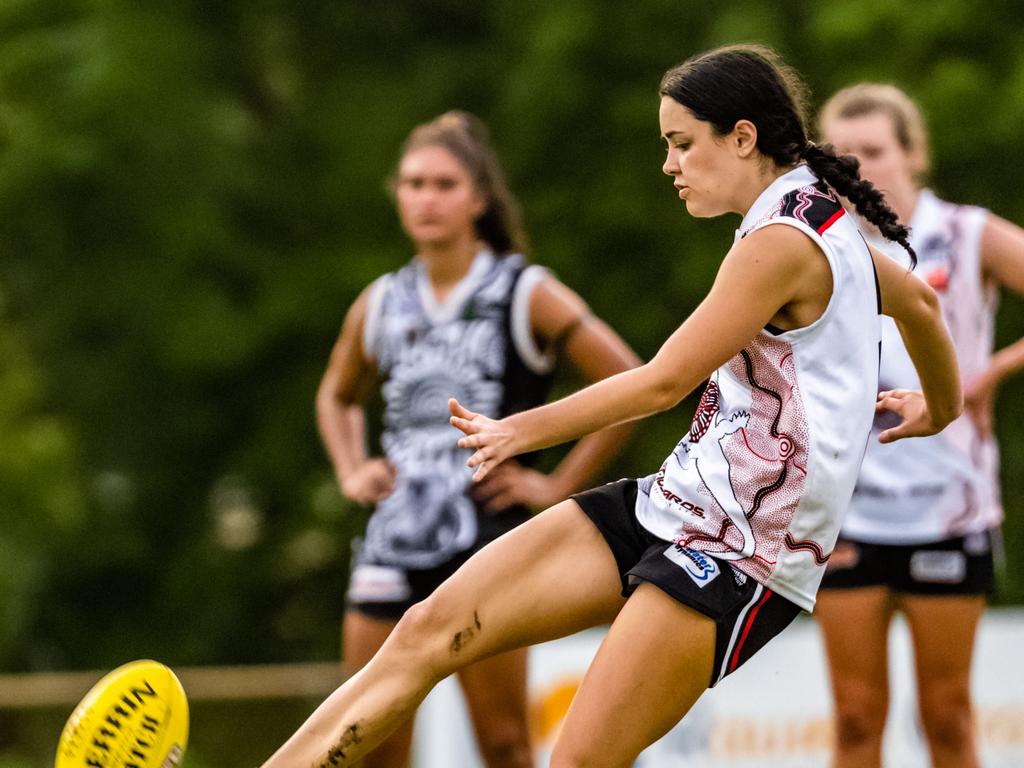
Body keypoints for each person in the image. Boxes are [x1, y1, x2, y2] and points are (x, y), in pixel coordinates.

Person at [262, 45, 962, 768]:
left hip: (737, 556)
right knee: (425, 630)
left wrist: (517, 431)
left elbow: (662, 381)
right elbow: (919, 301)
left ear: (744, 137)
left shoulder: (782, 239)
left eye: (681, 143)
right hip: (672, 503)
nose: (669, 164)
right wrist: (941, 407)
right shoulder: (817, 220)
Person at [316, 110, 641, 768]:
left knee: (501, 742)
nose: (425, 198)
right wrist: (352, 469)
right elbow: (336, 394)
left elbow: (630, 382)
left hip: (488, 542)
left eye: (443, 183)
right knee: (367, 745)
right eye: (412, 184)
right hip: (392, 543)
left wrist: (556, 483)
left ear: (479, 198)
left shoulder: (524, 291)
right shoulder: (381, 301)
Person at [814, 84, 1024, 768]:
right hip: (846, 514)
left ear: (913, 154)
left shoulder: (965, 232)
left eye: (873, 151)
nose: (856, 167)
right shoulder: (812, 244)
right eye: (839, 155)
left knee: (946, 716)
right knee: (853, 718)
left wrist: (987, 372)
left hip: (948, 508)